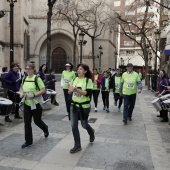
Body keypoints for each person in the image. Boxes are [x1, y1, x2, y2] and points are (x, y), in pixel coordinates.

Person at [20, 63, 49, 148]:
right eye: (26, 68)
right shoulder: (24, 78)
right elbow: (22, 88)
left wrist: (34, 95)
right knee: (27, 122)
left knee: (37, 121)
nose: (27, 70)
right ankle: (28, 141)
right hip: (27, 103)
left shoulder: (37, 78)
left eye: (29, 69)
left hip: (36, 103)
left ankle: (45, 128)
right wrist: (21, 93)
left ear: (33, 70)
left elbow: (43, 90)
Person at [68, 63, 95, 153]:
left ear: (85, 71)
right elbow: (69, 91)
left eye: (80, 69)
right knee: (73, 125)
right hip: (74, 105)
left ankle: (91, 132)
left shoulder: (88, 81)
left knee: (84, 125)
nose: (78, 70)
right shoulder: (74, 79)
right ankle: (77, 145)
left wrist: (77, 90)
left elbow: (87, 93)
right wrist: (70, 90)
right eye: (78, 69)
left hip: (84, 106)